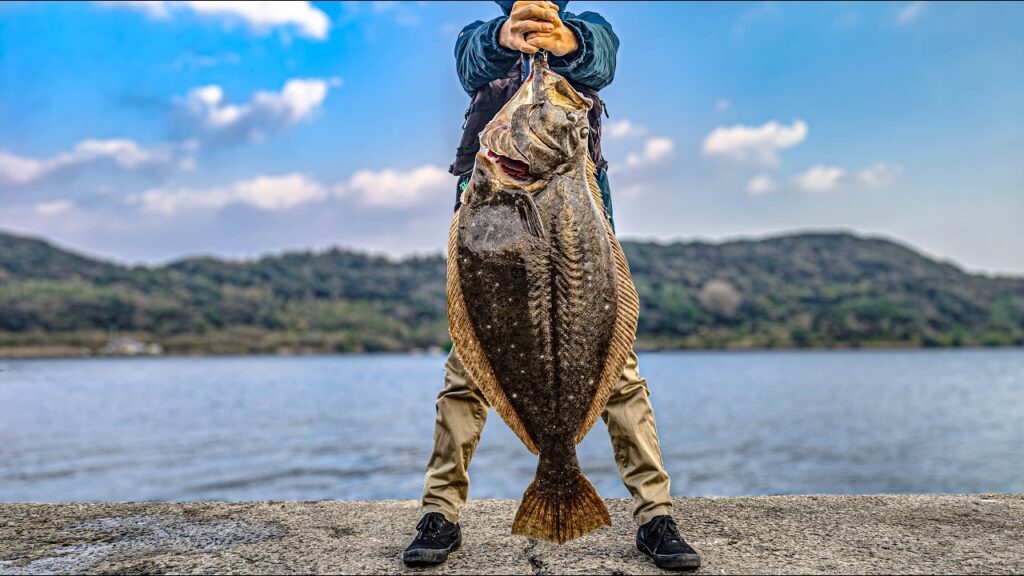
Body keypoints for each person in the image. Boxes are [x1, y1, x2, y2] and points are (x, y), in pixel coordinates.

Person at [403, 2, 701, 571]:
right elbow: (471, 62)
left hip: (573, 240)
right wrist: (503, 35)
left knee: (621, 375)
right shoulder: (479, 36)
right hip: (496, 246)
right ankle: (440, 514)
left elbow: (600, 58)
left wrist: (566, 41)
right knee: (465, 373)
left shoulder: (587, 28)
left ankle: (656, 516)